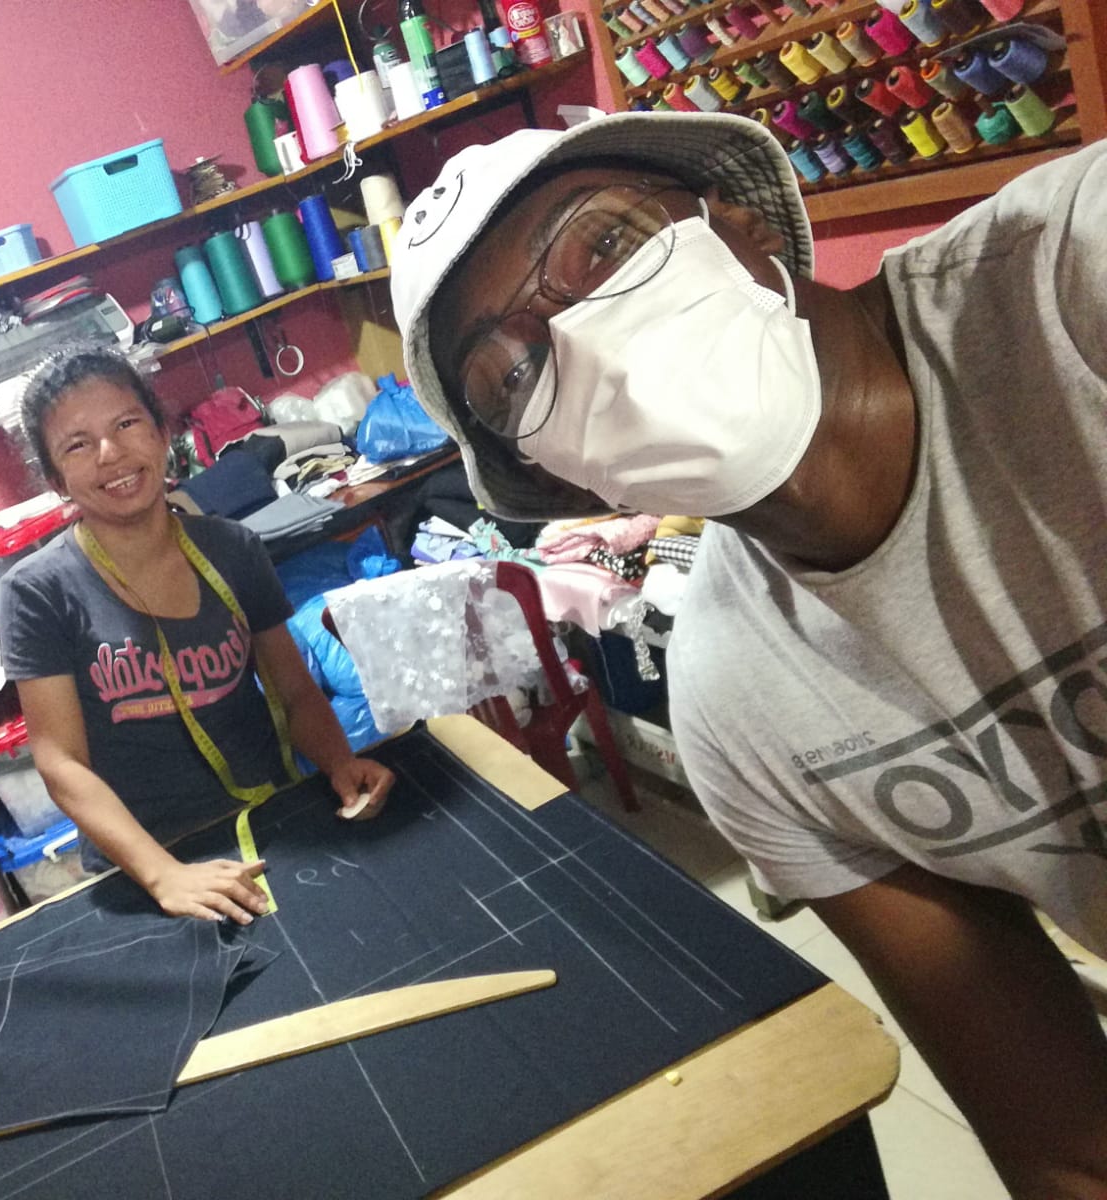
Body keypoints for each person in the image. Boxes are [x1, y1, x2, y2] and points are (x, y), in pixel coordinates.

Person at [387, 112, 1107, 1197]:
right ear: (562, 480)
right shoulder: (743, 713)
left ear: (741, 226)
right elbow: (1068, 1147)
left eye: (604, 244)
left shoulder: (1072, 281)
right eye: (515, 375)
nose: (587, 339)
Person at [0, 349, 395, 925]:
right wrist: (164, 875)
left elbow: (294, 691)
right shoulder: (38, 591)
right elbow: (61, 762)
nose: (111, 453)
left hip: (270, 824)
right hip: (144, 863)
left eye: (126, 424)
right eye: (77, 445)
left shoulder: (233, 549)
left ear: (163, 434)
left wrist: (340, 763)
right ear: (56, 479)